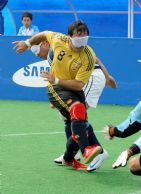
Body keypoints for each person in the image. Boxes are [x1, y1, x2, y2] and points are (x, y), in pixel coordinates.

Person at [13, 20, 103, 171]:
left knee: (77, 127)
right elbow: (43, 34)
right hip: (56, 87)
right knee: (78, 109)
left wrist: (56, 78)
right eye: (78, 34)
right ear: (69, 36)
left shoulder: (88, 56)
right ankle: (86, 150)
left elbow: (79, 85)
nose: (82, 38)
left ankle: (69, 159)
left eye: (85, 34)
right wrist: (27, 43)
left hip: (73, 88)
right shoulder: (58, 39)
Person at [30, 39, 117, 171]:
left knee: (78, 115)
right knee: (67, 117)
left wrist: (107, 76)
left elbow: (95, 58)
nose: (38, 55)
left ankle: (99, 153)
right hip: (81, 80)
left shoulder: (57, 49)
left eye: (37, 51)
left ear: (45, 43)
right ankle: (74, 153)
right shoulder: (52, 56)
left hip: (92, 76)